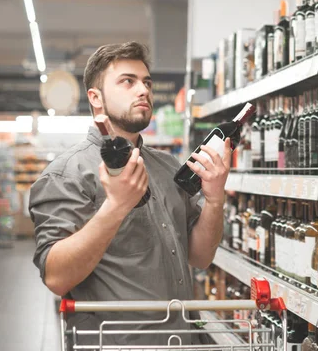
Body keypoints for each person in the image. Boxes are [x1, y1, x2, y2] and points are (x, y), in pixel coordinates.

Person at [29, 41, 230, 348]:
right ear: (95, 98)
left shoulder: (166, 166)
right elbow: (56, 277)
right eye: (128, 81)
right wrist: (116, 207)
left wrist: (215, 200)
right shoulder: (67, 173)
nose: (143, 90)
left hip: (183, 339)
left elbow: (200, 256)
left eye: (146, 82)